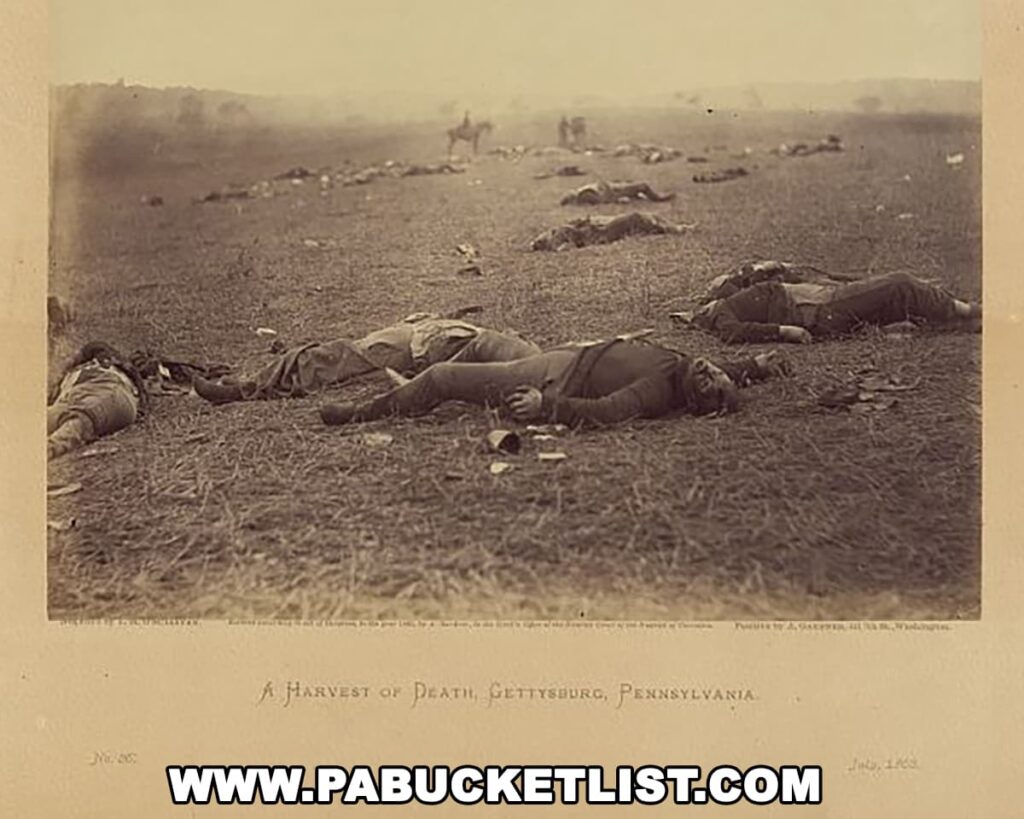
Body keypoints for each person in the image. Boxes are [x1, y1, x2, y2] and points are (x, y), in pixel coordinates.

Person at [319, 337, 791, 428]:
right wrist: (756, 365)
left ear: (694, 402)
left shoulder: (660, 389)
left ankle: (363, 413)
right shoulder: (691, 368)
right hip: (563, 354)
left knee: (443, 376)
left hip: (552, 376)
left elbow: (607, 412)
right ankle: (417, 388)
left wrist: (547, 407)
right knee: (484, 340)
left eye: (710, 385)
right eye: (717, 373)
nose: (710, 371)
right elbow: (723, 370)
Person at [192, 312, 541, 404]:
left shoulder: (512, 362)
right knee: (325, 359)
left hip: (405, 349)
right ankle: (246, 386)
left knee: (319, 360)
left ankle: (241, 390)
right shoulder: (524, 356)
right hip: (416, 336)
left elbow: (449, 375)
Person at [684, 268, 981, 344]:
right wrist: (785, 331)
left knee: (888, 294)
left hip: (818, 302)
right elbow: (733, 333)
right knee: (898, 283)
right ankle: (967, 311)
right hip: (817, 309)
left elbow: (742, 278)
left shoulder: (733, 297)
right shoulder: (720, 312)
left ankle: (952, 318)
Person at [48, 342, 149, 460]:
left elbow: (97, 347)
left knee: (83, 417)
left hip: (106, 386)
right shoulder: (66, 377)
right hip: (71, 396)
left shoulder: (104, 358)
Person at [530, 212, 692, 252]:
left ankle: (676, 227)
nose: (541, 234)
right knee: (634, 218)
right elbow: (569, 245)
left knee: (642, 218)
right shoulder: (558, 236)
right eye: (540, 238)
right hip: (601, 234)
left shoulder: (558, 232)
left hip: (599, 229)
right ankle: (677, 229)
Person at [559, 180, 675, 206]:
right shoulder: (584, 194)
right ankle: (659, 198)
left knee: (637, 189)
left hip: (613, 189)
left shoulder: (583, 192)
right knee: (642, 186)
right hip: (614, 192)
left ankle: (644, 198)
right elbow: (602, 200)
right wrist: (617, 200)